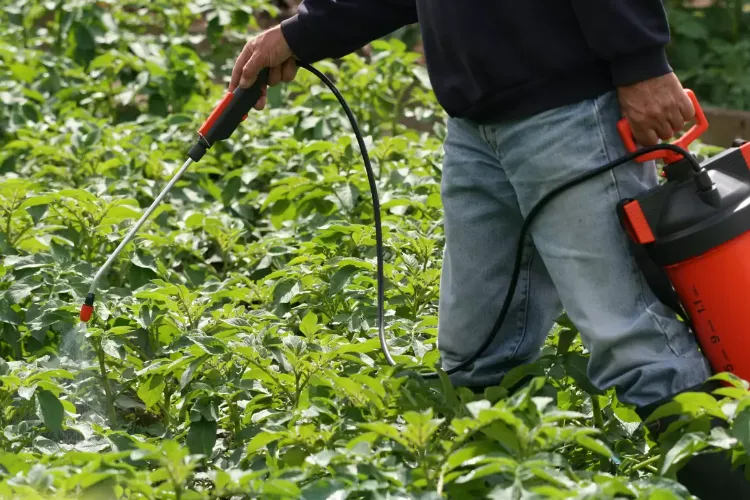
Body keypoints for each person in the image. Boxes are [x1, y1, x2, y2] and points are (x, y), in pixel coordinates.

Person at [229, 2, 750, 496]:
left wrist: (641, 62)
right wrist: (298, 35)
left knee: (635, 345)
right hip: (475, 127)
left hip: (571, 111)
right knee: (473, 358)